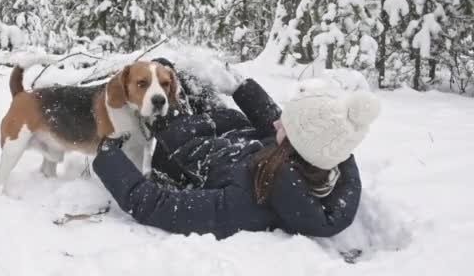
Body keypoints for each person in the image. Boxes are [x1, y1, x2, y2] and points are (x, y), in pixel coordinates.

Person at [92, 72, 380, 240]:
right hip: (223, 128)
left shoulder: (248, 201)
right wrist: (241, 87)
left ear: (294, 143)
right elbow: (278, 121)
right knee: (184, 74)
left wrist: (108, 156)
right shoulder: (318, 158)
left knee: (165, 79)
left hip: (184, 145)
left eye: (286, 126)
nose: (278, 122)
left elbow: (157, 206)